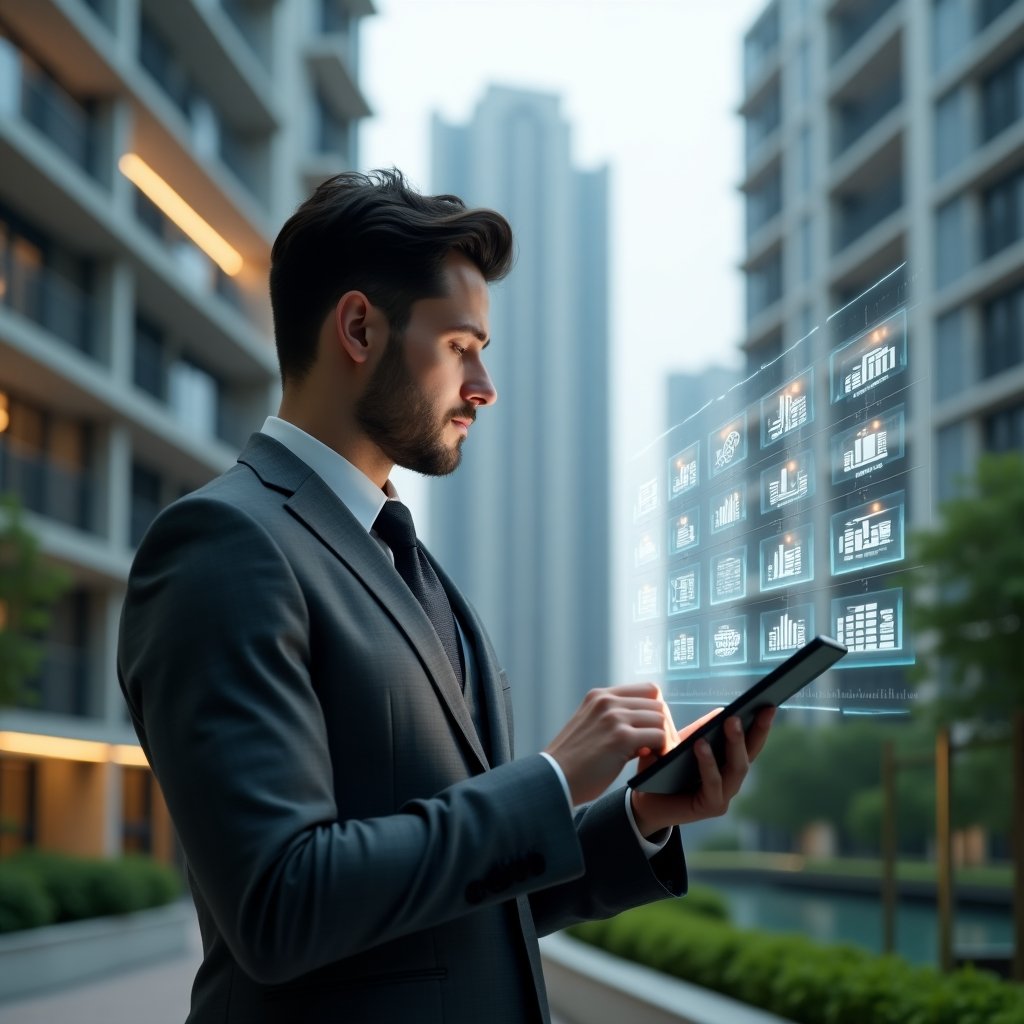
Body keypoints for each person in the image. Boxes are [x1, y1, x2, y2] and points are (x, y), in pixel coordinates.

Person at [118, 169, 774, 1024]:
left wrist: (638, 817)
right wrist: (549, 780)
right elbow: (281, 903)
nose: (484, 386)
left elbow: (466, 901)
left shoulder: (415, 567)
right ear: (359, 328)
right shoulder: (222, 546)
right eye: (462, 346)